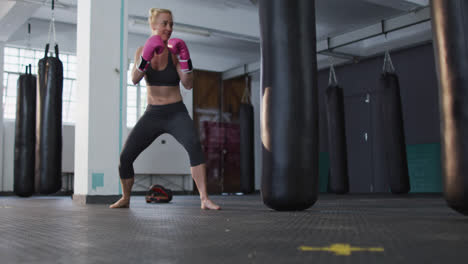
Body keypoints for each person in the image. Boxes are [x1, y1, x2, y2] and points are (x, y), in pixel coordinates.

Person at [110, 8, 220, 210]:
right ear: (153, 25)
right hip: (153, 114)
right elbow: (134, 79)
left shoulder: (175, 52)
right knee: (125, 157)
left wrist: (186, 60)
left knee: (195, 147)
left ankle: (204, 198)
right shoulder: (142, 49)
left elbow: (188, 84)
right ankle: (126, 197)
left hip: (176, 112)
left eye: (171, 24)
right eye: (164, 23)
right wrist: (145, 56)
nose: (169, 28)